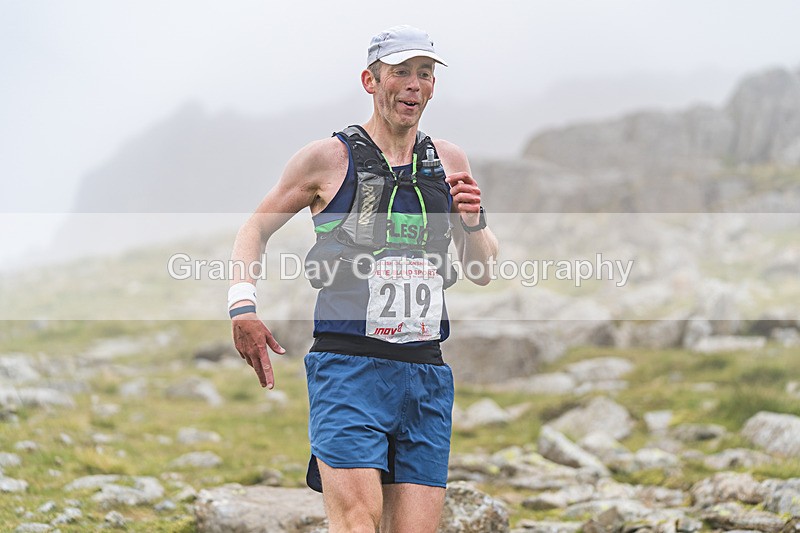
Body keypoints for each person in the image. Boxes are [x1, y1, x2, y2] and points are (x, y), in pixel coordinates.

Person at [228, 24, 498, 533]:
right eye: (400, 73)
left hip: (425, 374)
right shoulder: (328, 159)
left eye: (424, 74)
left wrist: (474, 222)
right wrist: (242, 307)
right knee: (356, 523)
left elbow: (482, 270)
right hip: (348, 368)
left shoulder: (448, 160)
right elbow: (254, 228)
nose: (414, 85)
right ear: (370, 81)